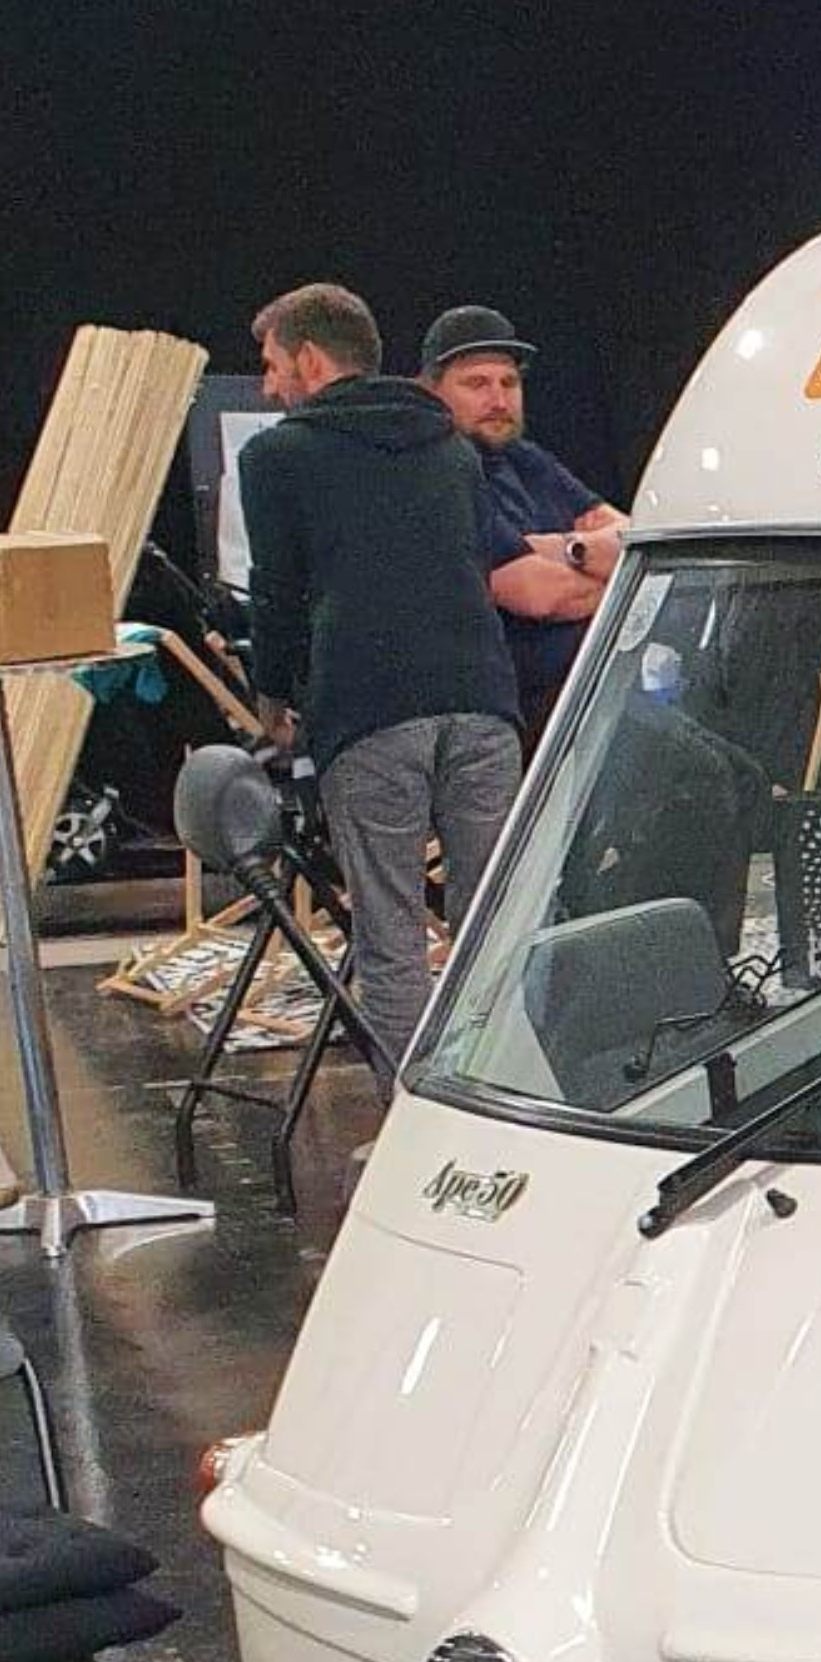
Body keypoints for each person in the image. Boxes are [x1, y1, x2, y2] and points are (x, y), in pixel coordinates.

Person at [240, 284, 520, 1086]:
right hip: (482, 703)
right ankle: (497, 1108)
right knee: (489, 929)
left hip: (368, 709)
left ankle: (413, 1129)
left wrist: (272, 701)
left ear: (312, 359)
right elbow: (475, 566)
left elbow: (278, 591)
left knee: (391, 934)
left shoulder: (276, 457)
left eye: (271, 366)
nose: (267, 387)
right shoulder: (452, 448)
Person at [421, 305, 626, 748]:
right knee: (704, 777)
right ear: (433, 392)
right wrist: (608, 569)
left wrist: (567, 550)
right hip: (509, 717)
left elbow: (634, 538)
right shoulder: (438, 476)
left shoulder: (526, 459)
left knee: (734, 773)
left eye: (509, 383)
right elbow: (540, 596)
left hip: (590, 690)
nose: (498, 400)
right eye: (477, 384)